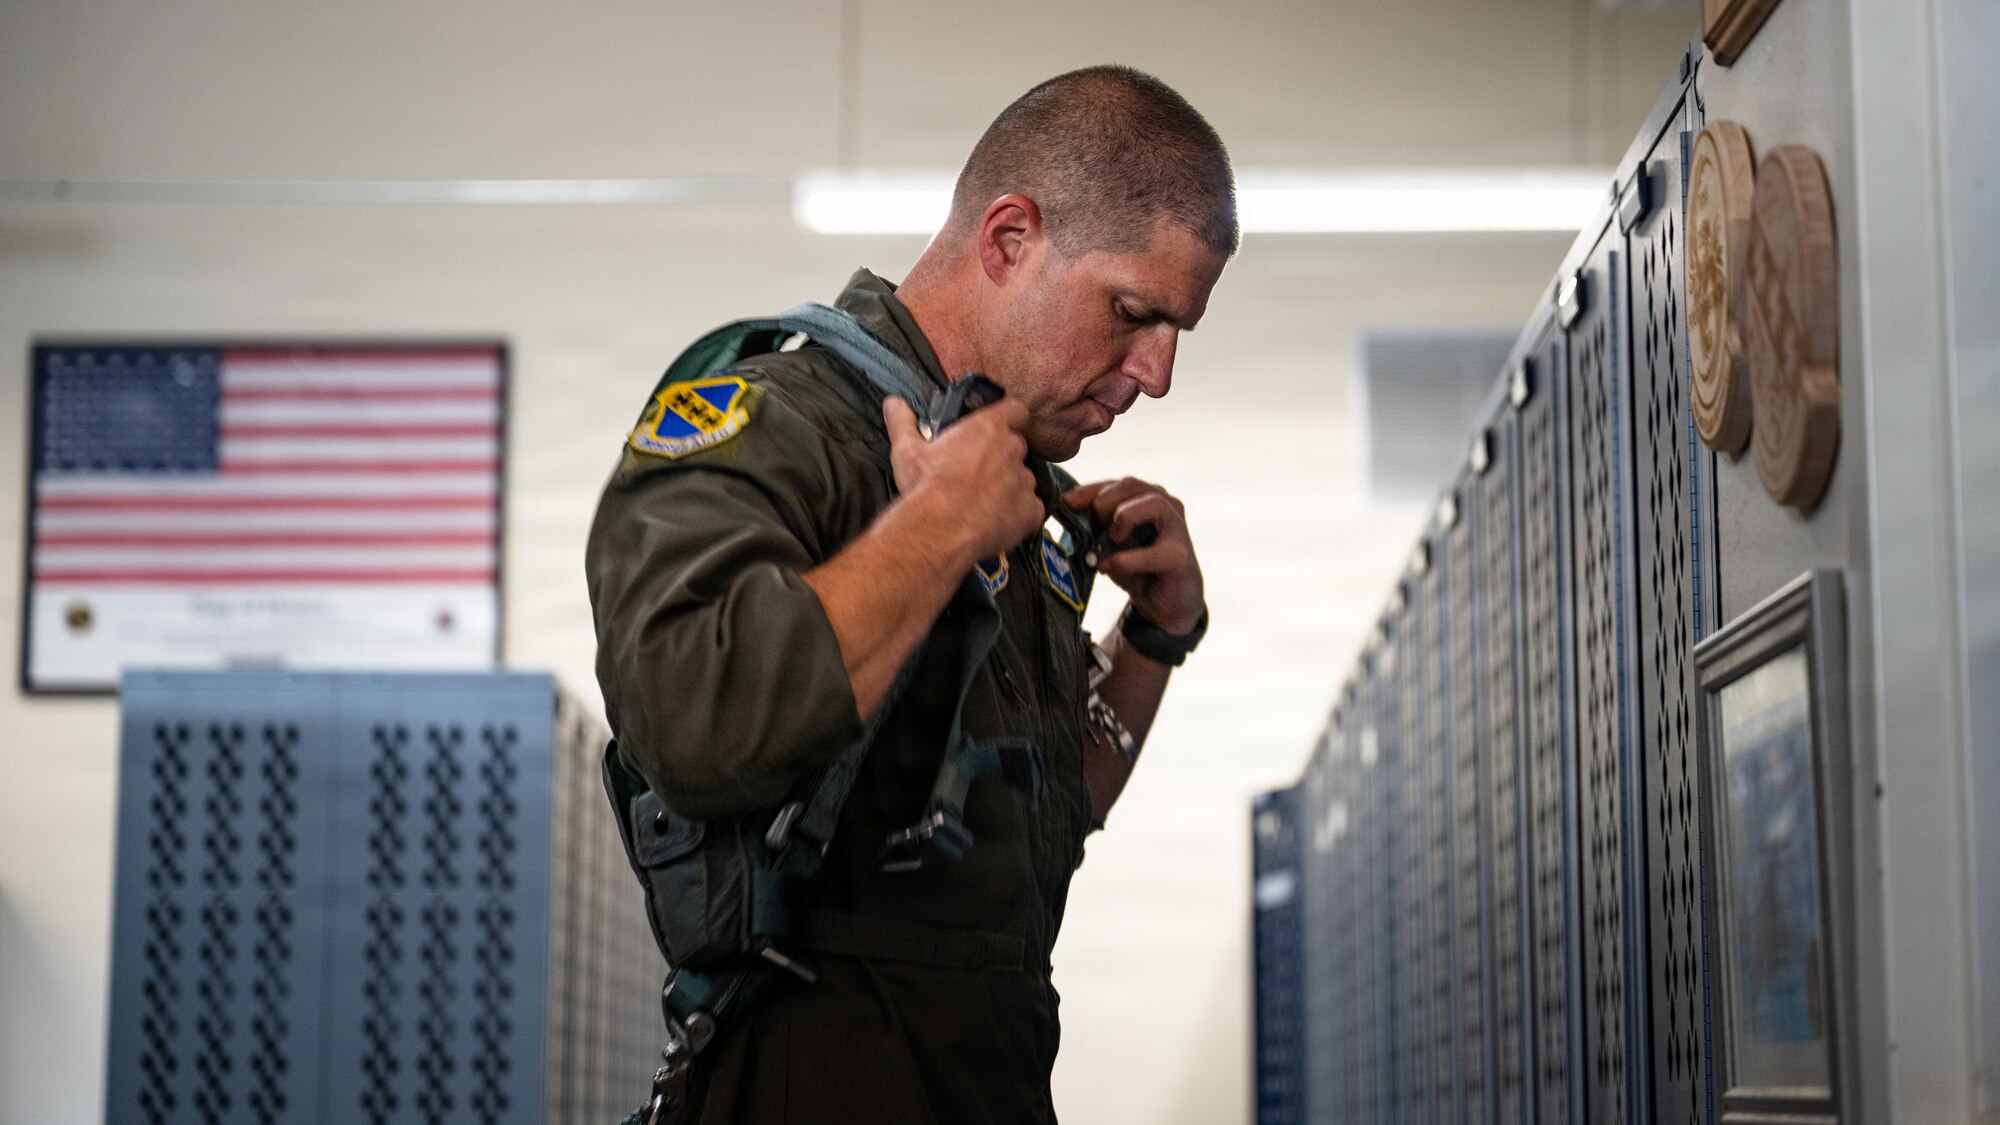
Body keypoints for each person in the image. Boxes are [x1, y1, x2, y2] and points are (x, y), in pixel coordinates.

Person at [587, 64, 1236, 1125]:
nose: (1155, 372)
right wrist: (933, 530)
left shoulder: (1015, 487)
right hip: (811, 1080)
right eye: (1131, 312)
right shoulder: (777, 424)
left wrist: (1155, 642)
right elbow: (688, 722)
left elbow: (1041, 814)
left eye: (1175, 332)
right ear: (1008, 238)